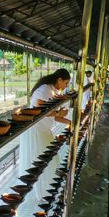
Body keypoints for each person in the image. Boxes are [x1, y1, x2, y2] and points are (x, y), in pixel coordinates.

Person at [19, 69, 71, 200]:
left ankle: (50, 189)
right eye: (66, 83)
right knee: (41, 160)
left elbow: (51, 114)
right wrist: (59, 113)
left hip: (44, 129)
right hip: (36, 130)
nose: (66, 86)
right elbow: (40, 111)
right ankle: (42, 193)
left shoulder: (53, 90)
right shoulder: (45, 89)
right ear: (59, 79)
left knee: (49, 158)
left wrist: (69, 122)